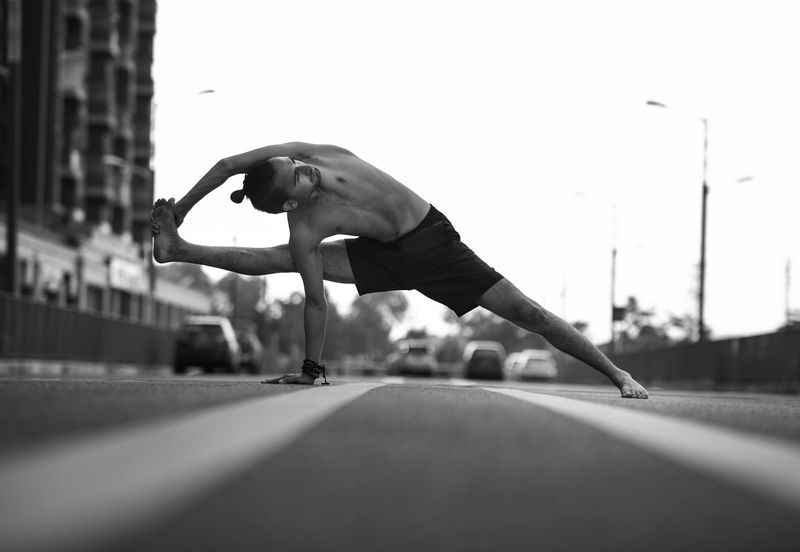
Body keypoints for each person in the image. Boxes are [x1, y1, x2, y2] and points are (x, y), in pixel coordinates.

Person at [151, 141, 648, 398]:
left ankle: (617, 373)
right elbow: (317, 299)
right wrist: (311, 369)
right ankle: (179, 250)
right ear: (289, 205)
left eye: (296, 164)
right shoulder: (304, 227)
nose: (306, 171)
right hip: (378, 257)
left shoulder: (313, 151)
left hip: (431, 241)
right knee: (281, 261)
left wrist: (183, 207)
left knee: (528, 312)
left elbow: (224, 164)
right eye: (297, 180)